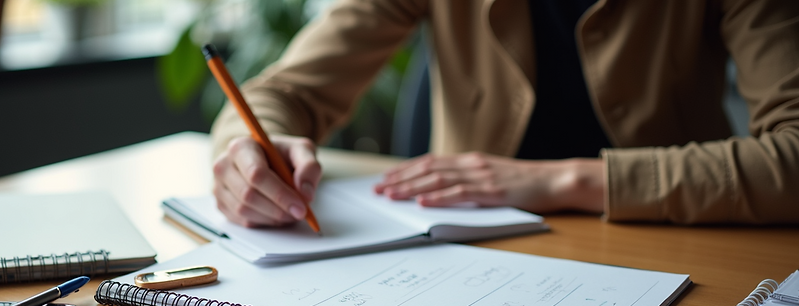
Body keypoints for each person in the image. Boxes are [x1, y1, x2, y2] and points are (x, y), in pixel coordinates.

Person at [208, 0, 799, 227]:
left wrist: (560, 180)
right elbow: (282, 93)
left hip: (679, 243)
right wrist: (251, 151)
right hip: (473, 262)